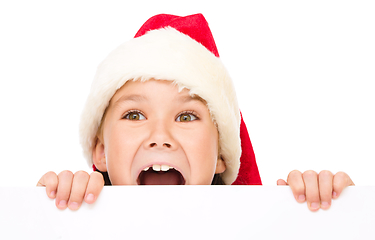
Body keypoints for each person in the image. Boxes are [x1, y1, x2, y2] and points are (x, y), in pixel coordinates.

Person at [37, 13, 354, 212]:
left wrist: (333, 213)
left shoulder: (271, 225)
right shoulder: (72, 218)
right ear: (102, 152)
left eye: (186, 117)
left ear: (222, 157)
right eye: (134, 115)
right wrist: (46, 214)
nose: (160, 138)